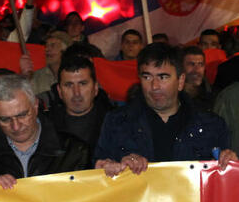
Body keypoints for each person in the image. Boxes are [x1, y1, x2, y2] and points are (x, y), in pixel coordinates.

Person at [94, 43, 229, 174]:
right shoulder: (117, 122)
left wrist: (228, 162)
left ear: (180, 81)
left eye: (163, 77)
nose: (154, 86)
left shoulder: (210, 125)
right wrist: (110, 167)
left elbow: (223, 181)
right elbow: (99, 175)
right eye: (147, 77)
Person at [0, 74, 91, 189]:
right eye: (5, 119)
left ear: (36, 105)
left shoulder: (74, 150)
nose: (16, 126)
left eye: (22, 115)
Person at [48, 54, 110, 154]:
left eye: (83, 84)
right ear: (59, 91)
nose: (76, 93)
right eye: (69, 85)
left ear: (95, 88)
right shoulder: (45, 128)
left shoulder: (117, 123)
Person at [181, 45, 215, 111]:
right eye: (191, 64)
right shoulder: (173, 96)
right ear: (181, 67)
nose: (197, 70)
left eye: (200, 64)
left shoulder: (214, 95)